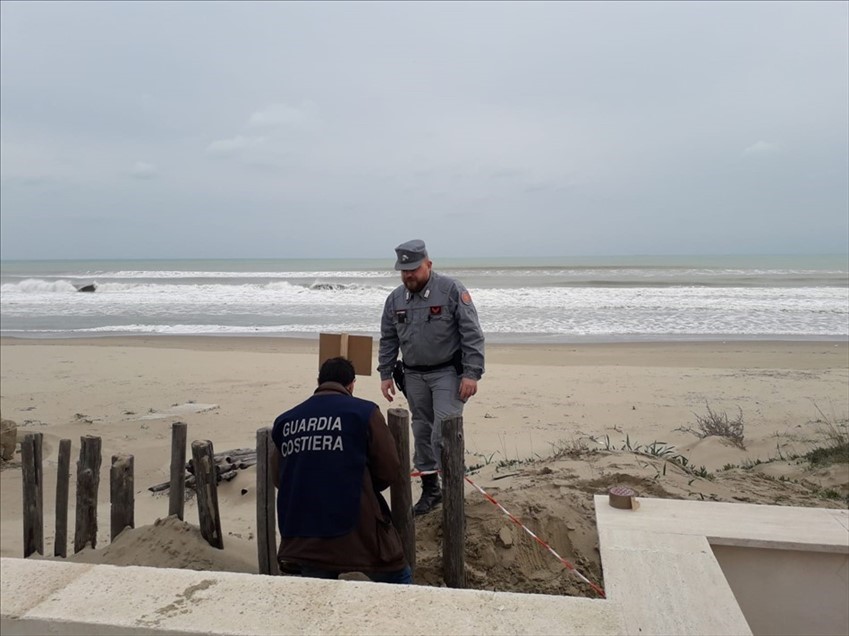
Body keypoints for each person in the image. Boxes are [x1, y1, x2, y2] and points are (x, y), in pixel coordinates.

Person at [271, 356, 411, 583]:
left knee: (314, 597)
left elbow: (279, 477)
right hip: (357, 531)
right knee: (399, 578)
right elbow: (388, 469)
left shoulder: (286, 420)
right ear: (352, 384)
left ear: (319, 381)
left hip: (301, 536)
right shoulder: (364, 413)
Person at [378, 239, 485, 516]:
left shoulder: (451, 290)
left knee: (444, 431)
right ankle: (431, 492)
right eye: (403, 270)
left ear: (428, 264)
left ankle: (453, 491)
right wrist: (385, 373)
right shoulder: (395, 300)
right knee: (421, 432)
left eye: (413, 268)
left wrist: (471, 374)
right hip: (413, 376)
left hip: (447, 374)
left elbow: (472, 333)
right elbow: (388, 339)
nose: (408, 275)